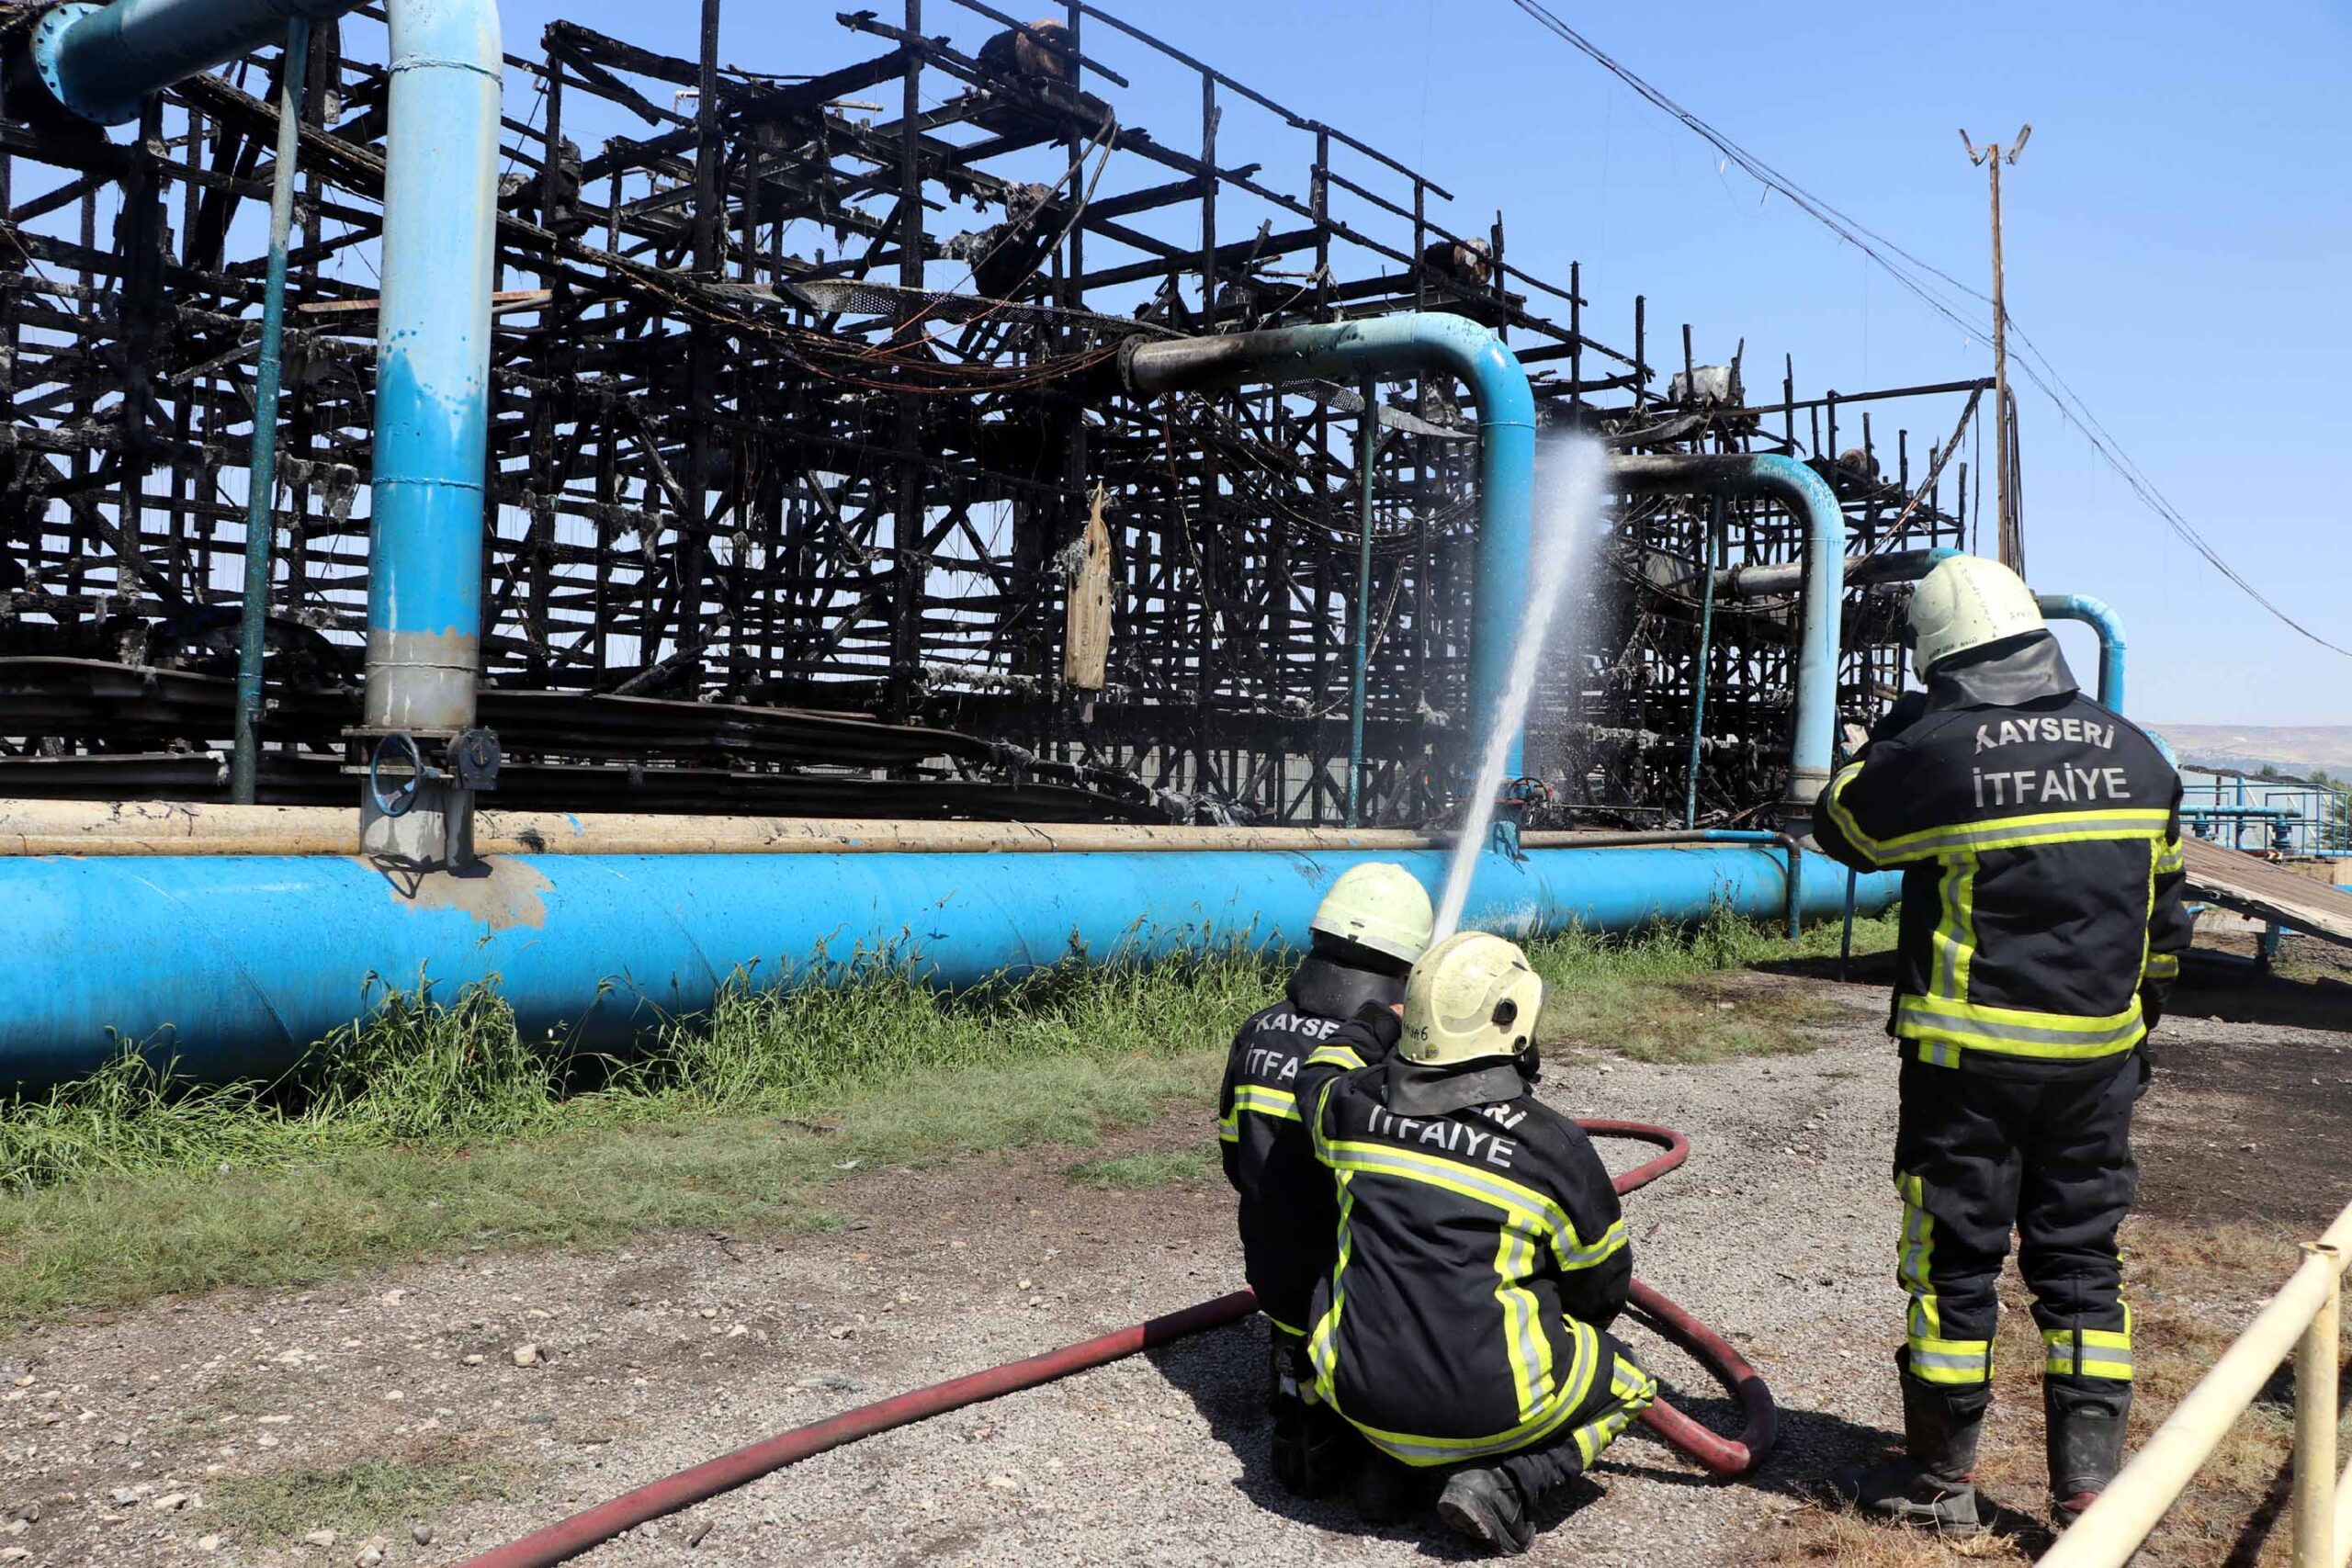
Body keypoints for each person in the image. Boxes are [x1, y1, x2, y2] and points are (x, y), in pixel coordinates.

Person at [1813, 555, 2190, 1533]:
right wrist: (2132, 1031)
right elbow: (2166, 926)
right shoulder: (2140, 754)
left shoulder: (1943, 754)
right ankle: (2089, 1495)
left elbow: (1843, 826)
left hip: (1967, 1069)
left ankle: (1940, 1484)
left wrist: (1892, 735)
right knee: (2083, 1261)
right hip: (2099, 1065)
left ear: (1938, 655)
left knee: (1953, 1259)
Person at [1293, 931, 1656, 1556]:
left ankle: (1389, 1463)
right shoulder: (1553, 1148)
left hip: (1355, 1393)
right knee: (1628, 1380)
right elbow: (1601, 1288)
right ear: (1513, 1021)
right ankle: (1506, 1481)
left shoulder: (1351, 1109)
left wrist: (1377, 1020)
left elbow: (1317, 1076)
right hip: (1490, 1407)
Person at [1216, 862, 1433, 1496]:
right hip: (1357, 1289)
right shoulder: (1389, 1055)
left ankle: (1298, 1383)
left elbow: (1234, 1156)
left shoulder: (1258, 1028)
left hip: (1273, 1270)